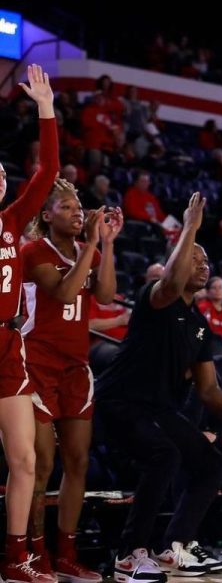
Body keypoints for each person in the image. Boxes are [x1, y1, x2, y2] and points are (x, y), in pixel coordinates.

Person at [95, 193, 222, 582]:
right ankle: (129, 554)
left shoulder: (199, 326)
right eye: (193, 257)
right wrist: (190, 226)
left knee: (212, 462)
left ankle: (173, 546)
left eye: (205, 260)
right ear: (175, 260)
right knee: (164, 455)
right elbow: (171, 281)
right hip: (121, 402)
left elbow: (208, 388)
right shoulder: (154, 297)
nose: (202, 264)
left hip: (158, 409)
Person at [22, 180, 121, 583]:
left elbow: (108, 295)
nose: (78, 213)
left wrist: (107, 245)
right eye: (67, 207)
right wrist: (90, 249)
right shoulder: (33, 251)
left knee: (78, 461)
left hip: (75, 367)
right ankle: (33, 550)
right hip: (36, 363)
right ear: (47, 216)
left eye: (80, 208)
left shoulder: (89, 251)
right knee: (41, 462)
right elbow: (64, 294)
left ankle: (66, 550)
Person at [0, 64, 61, 583]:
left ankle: (15, 557)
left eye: (1, 172)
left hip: (7, 346)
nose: (0, 176)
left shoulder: (12, 222)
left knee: (24, 460)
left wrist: (46, 109)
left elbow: (47, 171)